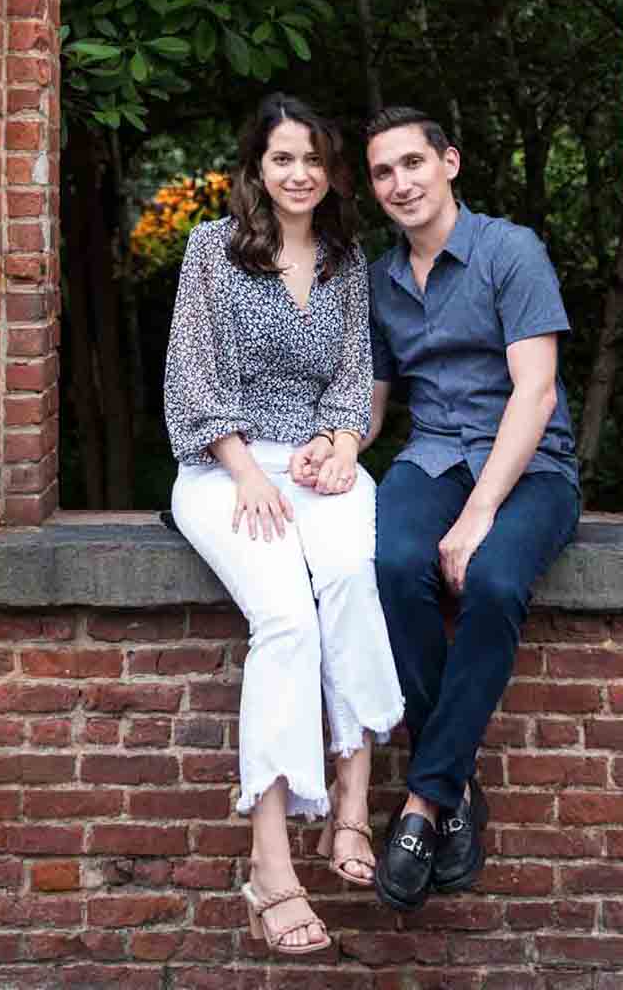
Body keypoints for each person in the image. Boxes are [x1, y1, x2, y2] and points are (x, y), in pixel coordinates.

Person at [163, 93, 403, 956]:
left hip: (320, 464)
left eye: (313, 160)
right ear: (256, 169)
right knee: (286, 619)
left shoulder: (346, 258)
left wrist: (340, 447)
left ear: (331, 173)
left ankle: (350, 807)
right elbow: (192, 374)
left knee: (346, 580)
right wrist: (241, 467)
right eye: (281, 159)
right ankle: (270, 864)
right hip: (221, 466)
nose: (298, 174)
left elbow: (352, 379)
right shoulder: (211, 253)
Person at [361, 106, 582, 911]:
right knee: (389, 565)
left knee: (489, 582)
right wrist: (335, 445)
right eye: (384, 172)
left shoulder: (507, 251)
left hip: (530, 466)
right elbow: (376, 404)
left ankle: (426, 801)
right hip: (430, 457)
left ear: (449, 163)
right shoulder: (381, 281)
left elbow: (537, 389)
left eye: (413, 163)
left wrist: (482, 510)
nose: (401, 183)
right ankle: (454, 787)